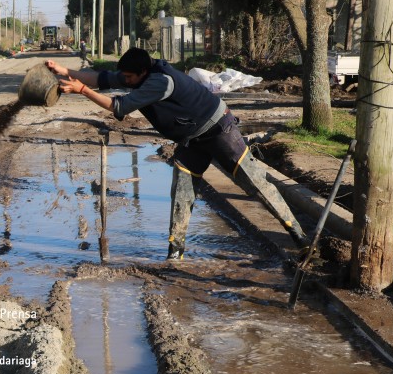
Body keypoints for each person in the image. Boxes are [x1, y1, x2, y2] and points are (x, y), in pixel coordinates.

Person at [46, 48, 308, 260]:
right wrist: (65, 71)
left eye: (128, 78)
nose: (124, 81)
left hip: (219, 131)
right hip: (192, 139)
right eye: (123, 77)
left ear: (143, 72)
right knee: (182, 192)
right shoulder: (138, 74)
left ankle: (300, 236)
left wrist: (82, 91)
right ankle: (176, 252)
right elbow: (102, 79)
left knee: (256, 184)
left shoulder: (160, 82)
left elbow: (120, 107)